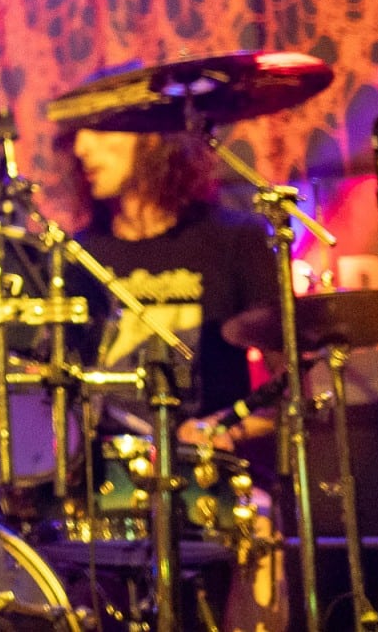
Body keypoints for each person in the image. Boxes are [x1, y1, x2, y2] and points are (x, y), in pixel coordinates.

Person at [65, 124, 286, 632]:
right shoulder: (77, 257)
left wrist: (225, 429)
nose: (81, 148)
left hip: (214, 477)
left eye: (99, 130)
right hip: (106, 485)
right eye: (75, 135)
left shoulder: (234, 239)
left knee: (260, 528)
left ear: (151, 136)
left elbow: (291, 390)